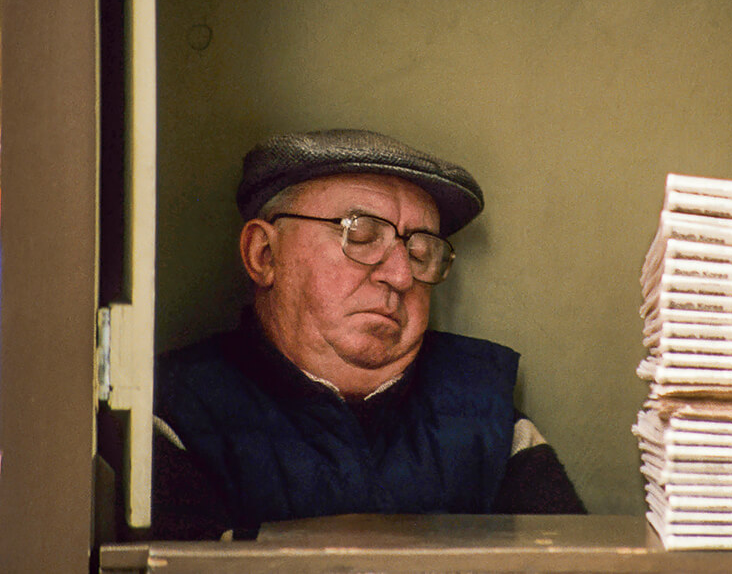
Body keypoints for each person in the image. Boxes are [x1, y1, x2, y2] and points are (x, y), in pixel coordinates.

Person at [152, 129, 585, 540]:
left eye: (421, 250)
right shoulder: (175, 414)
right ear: (264, 255)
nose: (400, 275)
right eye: (360, 234)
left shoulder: (485, 411)